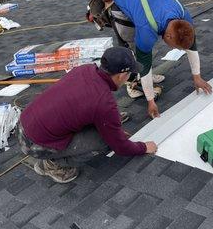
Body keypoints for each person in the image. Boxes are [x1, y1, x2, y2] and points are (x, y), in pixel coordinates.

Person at [17, 47, 158, 184]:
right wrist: (143, 147)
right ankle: (51, 164)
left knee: (105, 129)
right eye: (129, 74)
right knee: (105, 142)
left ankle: (53, 154)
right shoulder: (103, 102)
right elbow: (120, 147)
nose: (129, 77)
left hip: (25, 123)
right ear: (121, 75)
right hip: (34, 144)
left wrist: (114, 129)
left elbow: (82, 106)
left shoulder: (85, 69)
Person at [87, 0, 212, 119]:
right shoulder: (147, 29)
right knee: (131, 47)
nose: (175, 49)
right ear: (169, 36)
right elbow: (144, 65)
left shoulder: (185, 18)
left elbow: (192, 47)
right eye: (176, 47)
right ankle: (132, 81)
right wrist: (150, 101)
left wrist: (197, 77)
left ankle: (143, 80)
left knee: (141, 43)